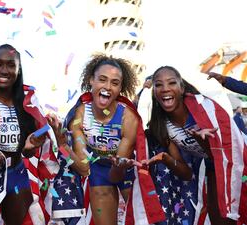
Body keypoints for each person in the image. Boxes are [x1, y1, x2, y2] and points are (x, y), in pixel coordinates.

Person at [60, 53, 165, 225]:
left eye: (114, 83)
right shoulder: (79, 115)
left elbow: (116, 175)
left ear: (121, 88)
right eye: (102, 79)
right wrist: (63, 146)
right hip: (98, 171)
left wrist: (119, 165)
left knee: (144, 221)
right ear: (91, 80)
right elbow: (84, 168)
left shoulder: (128, 118)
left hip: (128, 171)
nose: (107, 86)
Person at [0, 44, 59, 225]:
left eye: (11, 65)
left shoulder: (27, 103)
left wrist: (29, 148)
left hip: (17, 173)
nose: (4, 70)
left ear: (19, 69)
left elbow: (28, 149)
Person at [148, 66, 246, 225]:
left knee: (233, 212)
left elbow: (224, 153)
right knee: (219, 217)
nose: (165, 89)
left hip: (238, 159)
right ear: (154, 92)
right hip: (211, 166)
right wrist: (166, 159)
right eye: (158, 85)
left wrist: (203, 140)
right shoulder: (161, 126)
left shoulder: (203, 108)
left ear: (181, 88)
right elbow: (186, 174)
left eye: (171, 83)